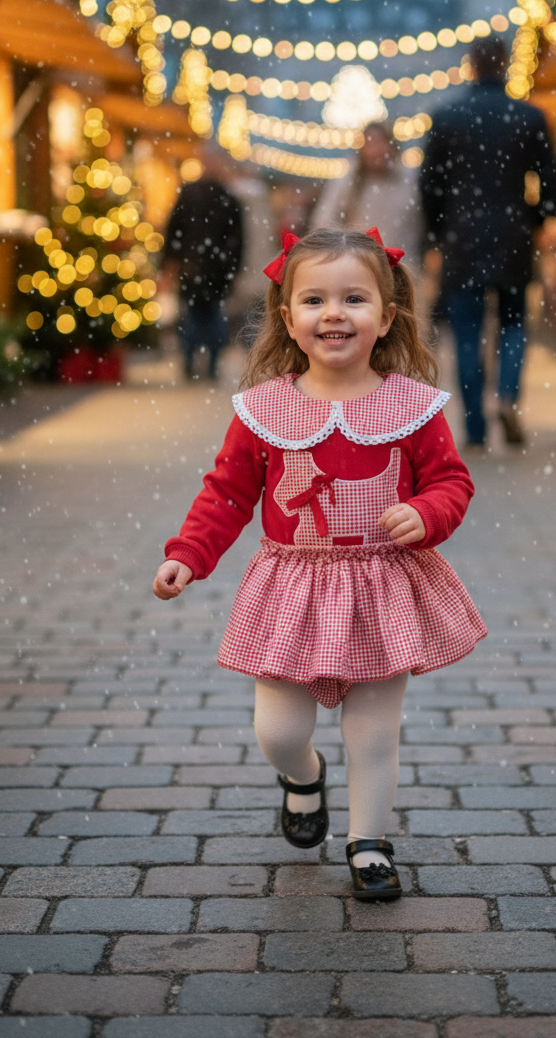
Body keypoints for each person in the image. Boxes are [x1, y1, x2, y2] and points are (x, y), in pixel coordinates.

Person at [153, 226, 486, 900]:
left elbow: (452, 482)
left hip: (381, 584)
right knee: (278, 729)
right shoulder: (264, 409)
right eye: (315, 301)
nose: (334, 314)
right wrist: (189, 553)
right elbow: (228, 491)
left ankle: (369, 843)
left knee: (372, 729)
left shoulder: (412, 407)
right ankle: (302, 779)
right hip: (290, 587)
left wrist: (426, 514)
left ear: (387, 316)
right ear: (288, 317)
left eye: (354, 299)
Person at [420, 33, 556, 447]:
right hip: (514, 234)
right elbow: (550, 181)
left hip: (462, 237)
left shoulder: (446, 118)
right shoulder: (529, 117)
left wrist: (438, 232)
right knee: (514, 323)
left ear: (471, 65)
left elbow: (430, 186)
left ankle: (475, 425)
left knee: (466, 332)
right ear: (505, 64)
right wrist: (534, 218)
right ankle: (508, 397)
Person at [162, 166, 244, 380]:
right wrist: (232, 267)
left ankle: (190, 362)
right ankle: (211, 364)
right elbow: (237, 238)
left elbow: (173, 230)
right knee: (212, 316)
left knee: (192, 316)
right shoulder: (227, 196)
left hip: (193, 268)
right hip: (216, 270)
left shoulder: (190, 194)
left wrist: (171, 261)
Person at [310, 121, 424, 255]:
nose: (377, 150)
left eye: (382, 142)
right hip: (362, 262)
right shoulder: (348, 182)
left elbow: (422, 222)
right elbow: (324, 221)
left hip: (404, 260)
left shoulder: (410, 180)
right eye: (371, 145)